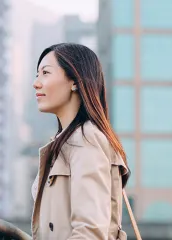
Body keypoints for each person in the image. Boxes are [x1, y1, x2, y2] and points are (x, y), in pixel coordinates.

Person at [31, 43, 131, 239]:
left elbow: (89, 233)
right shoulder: (65, 142)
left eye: (45, 73)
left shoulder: (87, 139)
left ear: (75, 81)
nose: (36, 83)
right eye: (37, 75)